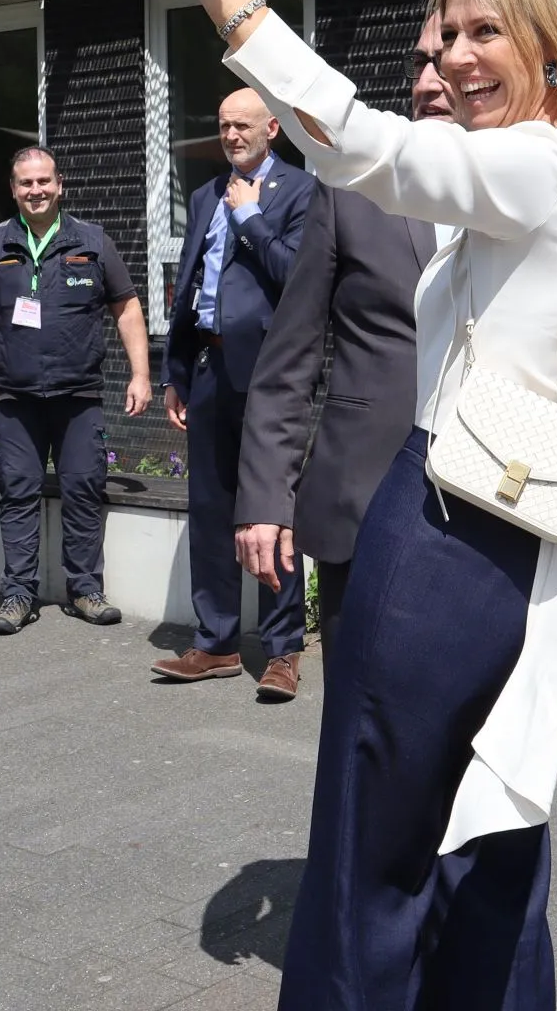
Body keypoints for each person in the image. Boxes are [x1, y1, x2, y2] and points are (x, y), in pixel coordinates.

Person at [167, 0, 557, 1008]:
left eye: (487, 32)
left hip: (440, 543)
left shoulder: (539, 162)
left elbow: (367, 148)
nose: (459, 57)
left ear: (551, 47)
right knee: (488, 853)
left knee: (371, 858)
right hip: (527, 553)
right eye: (447, 34)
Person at [233, 12, 449, 648]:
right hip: (366, 501)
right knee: (362, 725)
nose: (430, 83)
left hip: (495, 513)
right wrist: (269, 498)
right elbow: (290, 355)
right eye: (420, 64)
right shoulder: (353, 187)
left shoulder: (537, 191)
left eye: (450, 61)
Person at [150, 85, 316, 699]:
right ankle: (216, 641)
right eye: (223, 126)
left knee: (272, 508)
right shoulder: (202, 197)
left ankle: (282, 650)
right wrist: (176, 372)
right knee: (212, 508)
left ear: (273, 128)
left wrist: (249, 218)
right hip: (210, 367)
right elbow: (190, 286)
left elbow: (297, 277)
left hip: (271, 374)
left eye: (243, 125)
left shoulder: (302, 192)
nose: (231, 135)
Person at [0, 147, 152, 634]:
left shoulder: (93, 242)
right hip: (14, 398)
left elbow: (126, 308)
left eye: (43, 182)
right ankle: (19, 595)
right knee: (18, 493)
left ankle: (85, 590)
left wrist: (141, 374)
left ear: (60, 184)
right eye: (25, 184)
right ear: (13, 190)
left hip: (78, 396)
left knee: (84, 489)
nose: (35, 191)